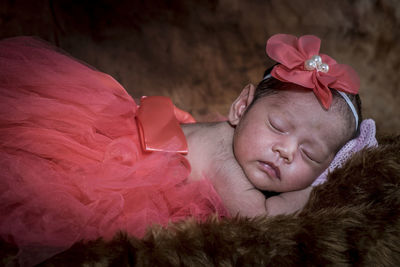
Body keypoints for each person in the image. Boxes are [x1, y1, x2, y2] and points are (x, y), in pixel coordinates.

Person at [0, 34, 376, 265]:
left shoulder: (243, 143)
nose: (286, 151)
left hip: (143, 133)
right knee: (50, 184)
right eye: (278, 127)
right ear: (241, 107)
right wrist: (321, 184)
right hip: (118, 163)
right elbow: (264, 215)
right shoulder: (228, 163)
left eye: (310, 155)